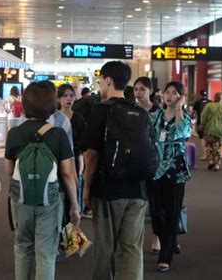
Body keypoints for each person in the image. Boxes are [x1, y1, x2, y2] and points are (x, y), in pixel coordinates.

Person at [5, 81, 80, 280]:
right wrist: (74, 205)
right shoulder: (58, 134)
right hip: (50, 199)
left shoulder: (14, 133)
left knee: (22, 247)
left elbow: (9, 170)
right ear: (51, 104)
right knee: (46, 251)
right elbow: (66, 173)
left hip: (21, 197)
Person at [83, 61, 149, 280]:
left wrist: (86, 189)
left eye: (101, 80)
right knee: (132, 249)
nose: (100, 84)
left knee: (105, 248)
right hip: (138, 190)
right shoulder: (139, 111)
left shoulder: (100, 111)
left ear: (108, 80)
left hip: (108, 190)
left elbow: (91, 155)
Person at [151, 81, 192, 272]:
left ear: (180, 97)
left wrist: (179, 109)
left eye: (174, 93)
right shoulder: (155, 116)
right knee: (157, 213)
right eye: (167, 92)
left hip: (175, 171)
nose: (169, 96)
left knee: (172, 212)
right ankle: (170, 238)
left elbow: (178, 132)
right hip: (155, 169)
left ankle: (165, 256)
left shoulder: (184, 118)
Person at [133, 77, 161, 254]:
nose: (138, 92)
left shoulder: (159, 112)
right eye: (136, 89)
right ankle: (137, 238)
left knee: (156, 202)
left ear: (150, 91)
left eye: (142, 89)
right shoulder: (131, 110)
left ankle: (157, 237)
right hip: (135, 162)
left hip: (153, 161)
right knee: (137, 203)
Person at [57, 84, 89, 217]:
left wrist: (82, 167)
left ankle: (72, 231)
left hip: (74, 160)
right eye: (65, 96)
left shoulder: (78, 118)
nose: (68, 99)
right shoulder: (53, 118)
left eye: (71, 96)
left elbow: (83, 146)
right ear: (58, 98)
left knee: (73, 193)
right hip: (57, 160)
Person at [200, 92, 222, 171]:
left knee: (209, 146)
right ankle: (217, 164)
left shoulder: (209, 106)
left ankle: (211, 161)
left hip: (210, 130)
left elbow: (203, 117)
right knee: (219, 148)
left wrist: (202, 126)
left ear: (214, 98)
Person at [192, 90, 211, 160]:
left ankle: (204, 155)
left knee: (202, 138)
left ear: (200, 95)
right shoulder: (210, 102)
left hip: (200, 123)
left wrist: (192, 118)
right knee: (209, 139)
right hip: (209, 124)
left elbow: (193, 113)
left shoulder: (197, 102)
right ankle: (209, 154)